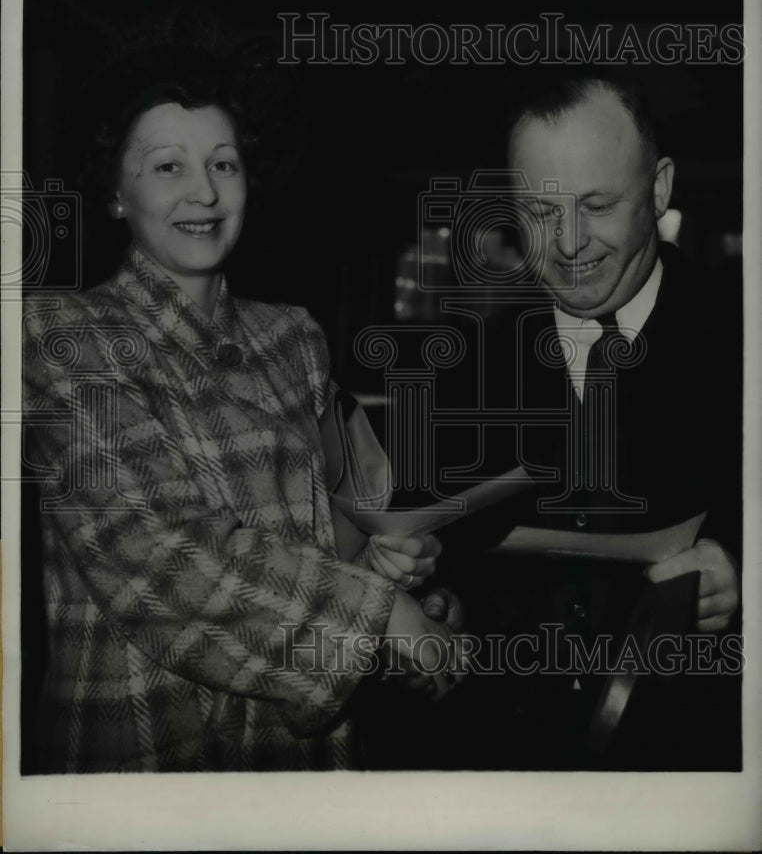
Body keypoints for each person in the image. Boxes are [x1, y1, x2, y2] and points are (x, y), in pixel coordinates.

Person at [22, 38, 460, 773]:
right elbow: (155, 557)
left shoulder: (294, 338)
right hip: (144, 760)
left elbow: (336, 536)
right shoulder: (61, 335)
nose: (205, 193)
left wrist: (400, 575)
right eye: (169, 168)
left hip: (302, 766)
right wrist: (381, 615)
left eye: (223, 164)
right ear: (114, 193)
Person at [429, 74, 742, 770]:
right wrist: (441, 600)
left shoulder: (745, 342)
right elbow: (450, 554)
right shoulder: (468, 368)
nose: (569, 244)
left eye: (598, 205)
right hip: (509, 770)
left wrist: (744, 572)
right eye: (540, 213)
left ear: (659, 191)